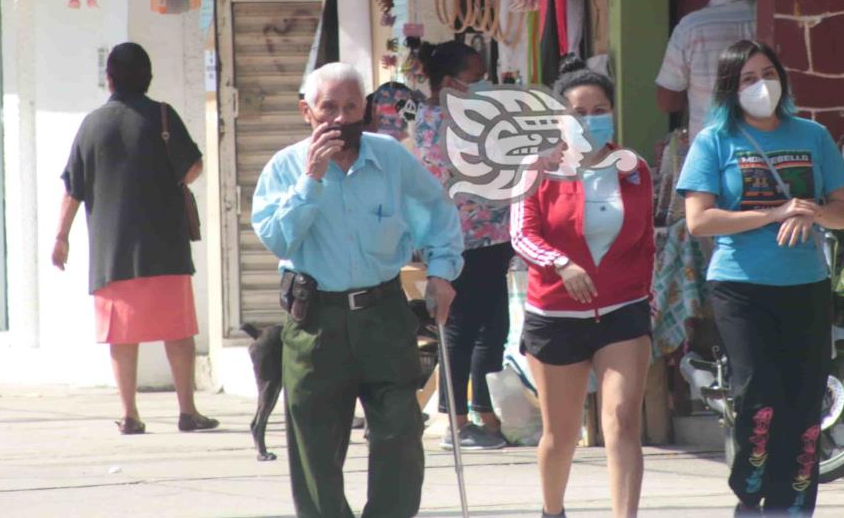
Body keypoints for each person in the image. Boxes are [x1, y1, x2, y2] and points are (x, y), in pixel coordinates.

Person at [251, 62, 463, 518]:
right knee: (315, 446)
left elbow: (438, 215)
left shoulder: (390, 158)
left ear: (365, 110)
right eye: (329, 108)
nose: (341, 119)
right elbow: (278, 240)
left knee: (401, 429)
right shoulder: (285, 167)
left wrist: (443, 274)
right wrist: (312, 179)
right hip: (316, 323)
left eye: (351, 107)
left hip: (382, 313)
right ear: (307, 112)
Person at [677, 40, 844, 516]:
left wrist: (812, 210)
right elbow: (699, 221)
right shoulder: (715, 140)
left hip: (806, 284)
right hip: (740, 285)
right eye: (749, 79)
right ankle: (749, 483)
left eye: (768, 74)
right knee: (759, 390)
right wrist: (773, 213)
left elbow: (843, 214)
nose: (762, 86)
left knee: (804, 400)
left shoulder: (813, 135)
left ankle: (792, 503)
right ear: (731, 90)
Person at [510, 56, 655, 518]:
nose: (590, 119)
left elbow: (647, 241)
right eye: (578, 111)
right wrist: (561, 264)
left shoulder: (635, 170)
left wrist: (644, 298)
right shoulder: (537, 169)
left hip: (623, 313)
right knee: (561, 434)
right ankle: (553, 511)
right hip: (555, 316)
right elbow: (521, 235)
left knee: (622, 421)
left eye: (600, 109)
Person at [51, 42, 217, 436]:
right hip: (165, 247)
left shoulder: (91, 124)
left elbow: (73, 188)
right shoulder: (162, 115)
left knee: (122, 337)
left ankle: (129, 414)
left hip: (112, 252)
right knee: (178, 332)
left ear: (109, 78)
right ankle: (187, 411)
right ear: (149, 77)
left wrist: (61, 237)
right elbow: (192, 166)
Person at [413, 40, 515, 450]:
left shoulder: (459, 117)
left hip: (492, 235)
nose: (484, 85)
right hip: (464, 239)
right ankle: (455, 421)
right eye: (476, 78)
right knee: (463, 328)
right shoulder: (441, 121)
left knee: (493, 328)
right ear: (451, 83)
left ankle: (484, 413)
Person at [656, 0, 756, 140]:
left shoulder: (691, 28)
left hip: (712, 146)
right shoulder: (772, 19)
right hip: (766, 144)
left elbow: (667, 102)